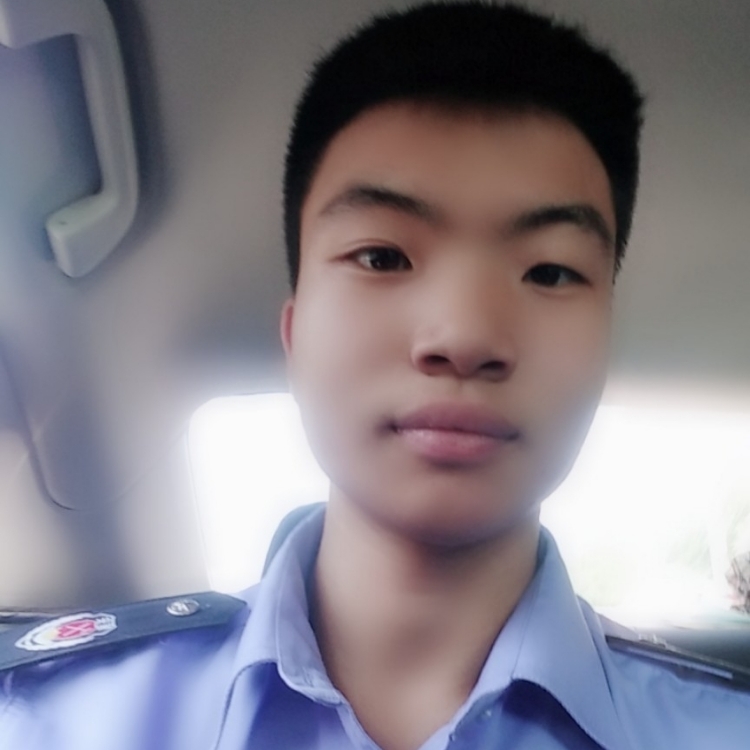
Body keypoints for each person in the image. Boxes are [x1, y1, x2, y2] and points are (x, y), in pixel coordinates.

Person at [2, 2, 749, 749]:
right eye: (382, 257)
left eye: (549, 271)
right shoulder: (49, 722)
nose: (464, 337)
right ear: (293, 335)